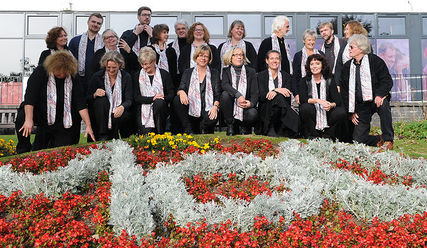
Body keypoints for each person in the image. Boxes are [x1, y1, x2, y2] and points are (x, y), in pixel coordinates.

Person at [15, 51, 95, 153]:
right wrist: (29, 120)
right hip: (42, 115)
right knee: (22, 115)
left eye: (64, 72)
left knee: (62, 153)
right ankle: (23, 149)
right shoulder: (40, 72)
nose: (61, 74)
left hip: (64, 119)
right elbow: (30, 98)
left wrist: (88, 125)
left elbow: (81, 104)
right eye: (58, 71)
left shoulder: (74, 76)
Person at [341, 34, 394, 149]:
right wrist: (351, 112)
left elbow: (386, 80)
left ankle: (388, 139)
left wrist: (380, 95)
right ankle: (379, 140)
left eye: (351, 47)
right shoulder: (347, 67)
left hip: (376, 99)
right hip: (361, 105)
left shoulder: (375, 61)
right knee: (358, 141)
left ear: (361, 49)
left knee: (384, 106)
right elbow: (344, 91)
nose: (349, 50)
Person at [173, 44, 220, 134]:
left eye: (206, 56)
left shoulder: (214, 73)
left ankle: (205, 128)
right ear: (196, 57)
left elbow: (217, 93)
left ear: (209, 58)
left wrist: (215, 106)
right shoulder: (188, 72)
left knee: (211, 119)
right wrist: (181, 92)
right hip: (191, 108)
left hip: (208, 108)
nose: (203, 58)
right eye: (200, 55)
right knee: (177, 99)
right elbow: (180, 88)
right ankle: (188, 129)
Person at [87, 51, 133, 141]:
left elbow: (129, 99)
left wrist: (122, 107)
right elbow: (87, 98)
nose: (111, 70)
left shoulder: (126, 77)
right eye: (108, 68)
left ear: (120, 65)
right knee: (101, 100)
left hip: (118, 112)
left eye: (114, 67)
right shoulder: (97, 77)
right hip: (100, 113)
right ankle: (102, 135)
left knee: (122, 116)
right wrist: (95, 94)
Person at [299, 54, 346, 140]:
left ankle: (328, 135)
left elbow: (337, 100)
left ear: (322, 65)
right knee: (305, 107)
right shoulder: (304, 80)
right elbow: (303, 99)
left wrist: (330, 105)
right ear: (309, 66)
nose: (314, 66)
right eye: (312, 64)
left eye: (317, 63)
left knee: (340, 112)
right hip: (312, 111)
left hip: (327, 111)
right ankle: (314, 135)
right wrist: (318, 100)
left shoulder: (330, 79)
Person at [257, 50, 299, 137]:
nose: (275, 61)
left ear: (280, 61)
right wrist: (276, 90)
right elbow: (262, 96)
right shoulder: (260, 76)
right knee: (278, 97)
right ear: (267, 61)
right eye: (272, 58)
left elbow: (287, 95)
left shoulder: (286, 76)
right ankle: (272, 127)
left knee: (279, 98)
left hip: (281, 110)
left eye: (277, 58)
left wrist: (275, 92)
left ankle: (275, 128)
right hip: (266, 110)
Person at [133, 47, 174, 134]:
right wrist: (153, 98)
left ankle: (161, 132)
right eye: (142, 64)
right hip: (143, 109)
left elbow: (171, 94)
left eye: (147, 64)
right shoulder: (137, 76)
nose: (145, 67)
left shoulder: (164, 74)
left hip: (161, 109)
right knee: (147, 135)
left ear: (154, 61)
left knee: (159, 103)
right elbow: (136, 97)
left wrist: (160, 98)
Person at [220, 47, 258, 136]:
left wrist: (251, 103)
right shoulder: (226, 70)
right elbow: (225, 85)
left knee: (253, 113)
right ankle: (230, 125)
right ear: (230, 58)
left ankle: (244, 127)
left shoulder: (251, 71)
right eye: (236, 55)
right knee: (225, 95)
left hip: (245, 105)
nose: (239, 57)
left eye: (241, 55)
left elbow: (255, 92)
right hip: (231, 106)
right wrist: (238, 95)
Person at [68, 13, 104, 93]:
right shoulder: (75, 41)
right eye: (93, 22)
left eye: (98, 23)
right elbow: (69, 61)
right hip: (79, 80)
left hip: (98, 80)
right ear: (88, 22)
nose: (95, 24)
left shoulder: (104, 42)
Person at [292, 29, 325, 104]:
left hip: (320, 88)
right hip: (303, 89)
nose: (311, 42)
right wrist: (296, 94)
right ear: (304, 41)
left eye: (313, 40)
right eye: (309, 40)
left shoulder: (321, 54)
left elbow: (325, 72)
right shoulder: (298, 56)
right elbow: (295, 76)